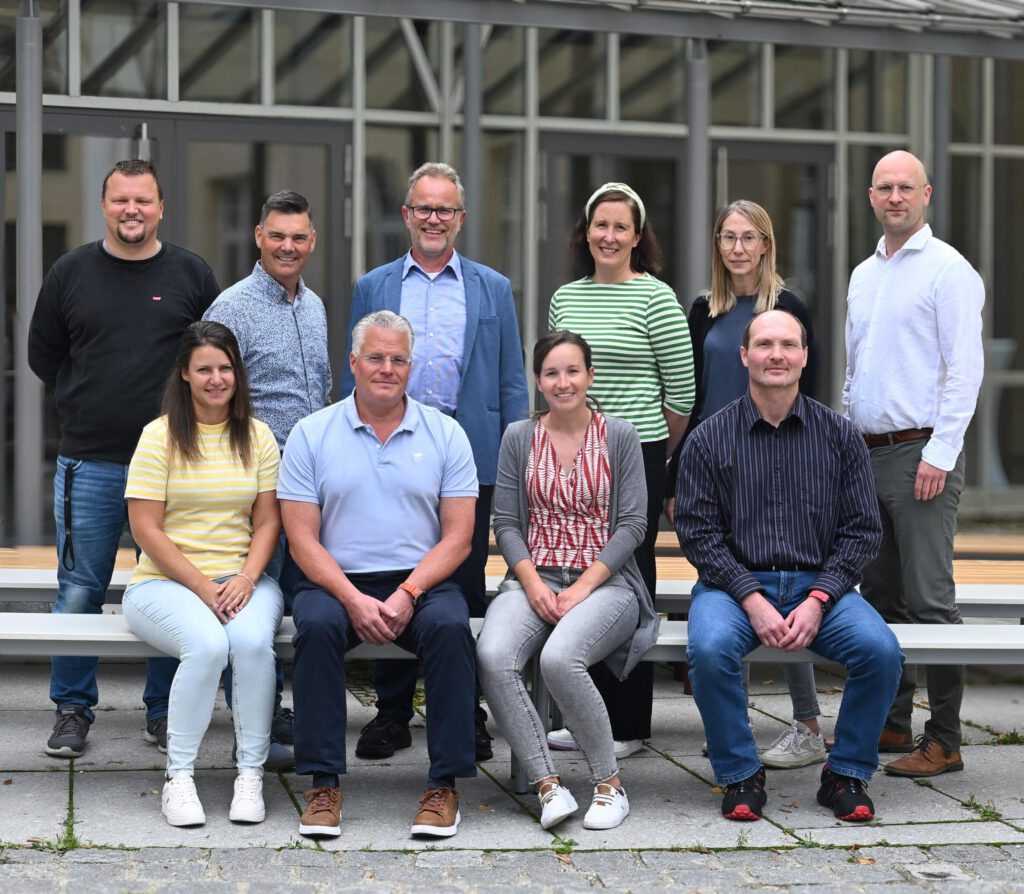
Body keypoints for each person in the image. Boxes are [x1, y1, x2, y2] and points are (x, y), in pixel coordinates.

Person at [676, 309, 903, 823]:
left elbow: (862, 530)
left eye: (787, 345)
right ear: (744, 356)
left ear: (803, 356)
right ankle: (740, 773)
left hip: (821, 586)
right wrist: (751, 597)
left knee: (881, 651)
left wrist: (819, 598)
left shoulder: (840, 435)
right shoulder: (708, 437)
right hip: (732, 588)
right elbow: (698, 534)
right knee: (709, 650)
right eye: (764, 344)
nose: (775, 354)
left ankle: (845, 773)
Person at [28, 159, 220, 759]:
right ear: (104, 206)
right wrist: (85, 401)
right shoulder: (70, 272)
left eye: (142, 200)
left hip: (174, 465)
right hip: (90, 460)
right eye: (120, 200)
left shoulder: (191, 273)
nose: (131, 210)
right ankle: (72, 709)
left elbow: (212, 358)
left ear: (161, 208)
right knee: (79, 588)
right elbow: (43, 355)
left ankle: (163, 710)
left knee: (169, 588)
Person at [342, 162, 529, 764]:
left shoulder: (492, 288)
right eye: (423, 207)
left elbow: (511, 381)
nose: (433, 218)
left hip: (468, 456)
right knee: (392, 572)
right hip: (387, 452)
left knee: (464, 587)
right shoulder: (374, 286)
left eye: (444, 209)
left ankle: (464, 710)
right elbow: (356, 372)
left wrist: (515, 462)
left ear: (460, 218)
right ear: (406, 215)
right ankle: (393, 713)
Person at [280, 310, 479, 840]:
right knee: (317, 628)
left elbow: (458, 537)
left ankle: (444, 786)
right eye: (375, 357)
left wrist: (409, 591)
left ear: (411, 366)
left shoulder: (446, 433)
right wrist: (351, 598)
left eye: (398, 359)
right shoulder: (311, 433)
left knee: (450, 629)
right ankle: (323, 784)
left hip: (421, 579)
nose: (387, 368)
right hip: (335, 579)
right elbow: (301, 540)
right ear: (353, 363)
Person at [665, 200, 825, 770]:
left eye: (749, 237)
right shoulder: (703, 309)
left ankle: (808, 725)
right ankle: (730, 723)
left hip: (776, 464)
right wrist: (676, 475)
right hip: (713, 467)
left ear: (766, 245)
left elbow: (811, 393)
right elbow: (690, 396)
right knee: (725, 586)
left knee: (785, 580)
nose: (738, 247)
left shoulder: (788, 308)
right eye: (728, 237)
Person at [477, 331, 659, 832]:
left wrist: (582, 587)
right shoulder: (519, 437)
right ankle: (547, 785)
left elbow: (633, 525)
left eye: (573, 371)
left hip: (607, 584)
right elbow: (506, 523)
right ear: (539, 381)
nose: (563, 382)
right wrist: (533, 583)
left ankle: (609, 785)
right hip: (533, 578)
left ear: (590, 376)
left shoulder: (619, 435)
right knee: (494, 655)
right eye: (552, 373)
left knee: (560, 658)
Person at [844, 150, 985, 777]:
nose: (895, 197)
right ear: (871, 197)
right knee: (880, 597)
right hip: (867, 454)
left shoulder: (949, 270)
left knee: (930, 599)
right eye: (885, 187)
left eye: (906, 187)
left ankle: (945, 739)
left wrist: (941, 453)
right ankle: (894, 721)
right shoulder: (862, 275)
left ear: (926, 195)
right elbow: (855, 371)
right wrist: (847, 442)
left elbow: (965, 370)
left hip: (922, 455)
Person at [546, 182, 694, 758]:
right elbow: (558, 374)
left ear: (637, 236)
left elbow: (681, 395)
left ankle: (628, 723)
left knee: (630, 577)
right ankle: (584, 716)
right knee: (579, 574)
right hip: (574, 454)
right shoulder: (565, 297)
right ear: (586, 232)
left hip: (637, 455)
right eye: (600, 225)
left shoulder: (656, 298)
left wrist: (647, 452)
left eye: (620, 227)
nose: (609, 236)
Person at [122, 321, 283, 827]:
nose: (217, 379)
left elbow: (268, 522)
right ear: (185, 375)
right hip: (162, 583)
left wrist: (246, 579)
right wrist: (202, 587)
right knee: (209, 646)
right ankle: (180, 777)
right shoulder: (159, 436)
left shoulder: (257, 436)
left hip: (241, 580)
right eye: (205, 369)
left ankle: (250, 774)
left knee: (252, 645)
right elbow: (145, 529)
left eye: (225, 368)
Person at [204, 189, 332, 768]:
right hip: (256, 483)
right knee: (255, 602)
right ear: (258, 236)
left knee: (301, 603)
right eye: (277, 235)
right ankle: (253, 723)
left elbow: (321, 390)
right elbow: (212, 396)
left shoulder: (315, 306)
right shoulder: (230, 308)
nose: (287, 246)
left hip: (312, 484)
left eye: (298, 237)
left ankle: (287, 712)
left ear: (312, 241)